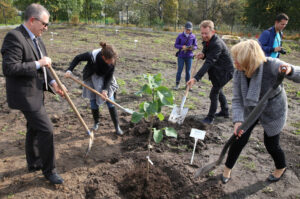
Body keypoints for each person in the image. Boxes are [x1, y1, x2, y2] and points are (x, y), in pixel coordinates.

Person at [1, 4, 65, 184]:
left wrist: (53, 82)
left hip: (36, 93)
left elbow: (45, 67)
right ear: (32, 20)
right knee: (46, 129)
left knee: (33, 128)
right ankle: (50, 171)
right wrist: (38, 63)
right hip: (25, 96)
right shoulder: (14, 37)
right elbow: (9, 68)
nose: (46, 28)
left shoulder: (37, 38)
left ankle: (34, 162)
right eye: (44, 24)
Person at [221, 40, 300, 184]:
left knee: (271, 144)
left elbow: (296, 73)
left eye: (238, 60)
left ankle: (281, 167)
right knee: (239, 139)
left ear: (249, 61)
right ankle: (227, 169)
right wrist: (238, 120)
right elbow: (238, 98)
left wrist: (290, 70)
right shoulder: (239, 72)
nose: (235, 62)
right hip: (251, 109)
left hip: (273, 110)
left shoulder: (270, 65)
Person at [65, 42, 123, 135]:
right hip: (92, 77)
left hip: (106, 77)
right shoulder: (92, 55)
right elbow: (78, 58)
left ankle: (117, 126)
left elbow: (109, 77)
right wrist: (69, 70)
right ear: (104, 57)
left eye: (112, 60)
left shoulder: (113, 60)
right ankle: (96, 123)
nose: (111, 62)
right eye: (109, 61)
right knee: (93, 101)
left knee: (110, 99)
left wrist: (104, 90)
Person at [186, 20, 234, 124]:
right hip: (217, 70)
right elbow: (207, 51)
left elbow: (209, 63)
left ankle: (210, 117)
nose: (204, 36)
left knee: (214, 93)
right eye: (202, 33)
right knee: (218, 90)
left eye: (206, 33)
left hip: (225, 71)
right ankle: (225, 111)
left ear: (213, 31)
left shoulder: (217, 44)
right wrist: (203, 54)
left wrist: (195, 78)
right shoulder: (208, 41)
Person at [174, 21, 198, 90]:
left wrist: (192, 48)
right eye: (187, 29)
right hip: (181, 56)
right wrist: (182, 47)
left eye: (189, 29)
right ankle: (177, 84)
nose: (188, 31)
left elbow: (196, 46)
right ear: (184, 29)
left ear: (191, 29)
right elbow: (176, 45)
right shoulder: (180, 36)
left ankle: (187, 85)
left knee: (188, 71)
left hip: (189, 56)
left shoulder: (193, 36)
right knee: (180, 70)